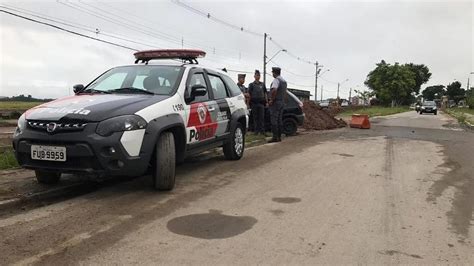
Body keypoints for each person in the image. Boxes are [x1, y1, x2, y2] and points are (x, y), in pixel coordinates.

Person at [268, 67, 287, 142]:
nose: (272, 74)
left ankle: (275, 137)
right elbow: (285, 93)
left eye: (273, 72)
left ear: (274, 73)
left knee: (274, 119)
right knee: (279, 119)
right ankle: (279, 137)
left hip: (276, 102)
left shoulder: (276, 80)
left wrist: (272, 100)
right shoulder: (284, 81)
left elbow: (274, 90)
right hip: (282, 102)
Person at [248, 70, 267, 135]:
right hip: (254, 103)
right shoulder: (251, 85)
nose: (258, 76)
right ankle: (256, 131)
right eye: (256, 75)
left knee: (262, 118)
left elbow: (265, 93)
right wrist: (248, 104)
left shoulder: (262, 84)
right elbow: (249, 94)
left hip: (261, 103)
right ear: (254, 76)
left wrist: (266, 102)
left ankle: (262, 131)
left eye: (259, 75)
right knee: (255, 118)